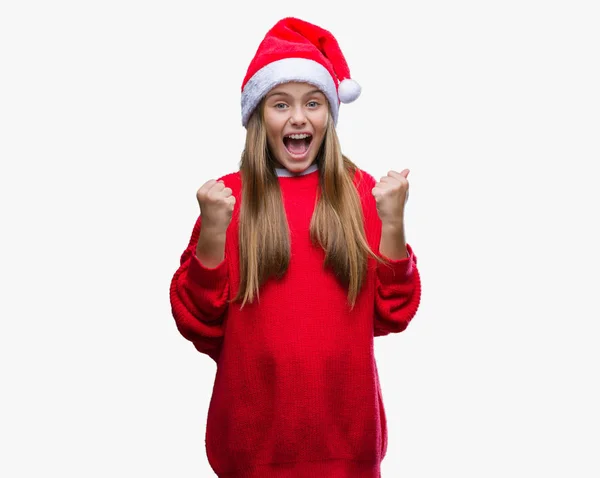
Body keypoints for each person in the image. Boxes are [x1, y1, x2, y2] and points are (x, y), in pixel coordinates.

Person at [169, 17, 422, 478]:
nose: (299, 118)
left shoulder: (360, 194)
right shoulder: (228, 200)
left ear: (330, 113)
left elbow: (393, 312)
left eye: (314, 103)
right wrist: (211, 232)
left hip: (347, 451)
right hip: (251, 453)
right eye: (280, 104)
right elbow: (199, 324)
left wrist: (393, 222)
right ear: (257, 116)